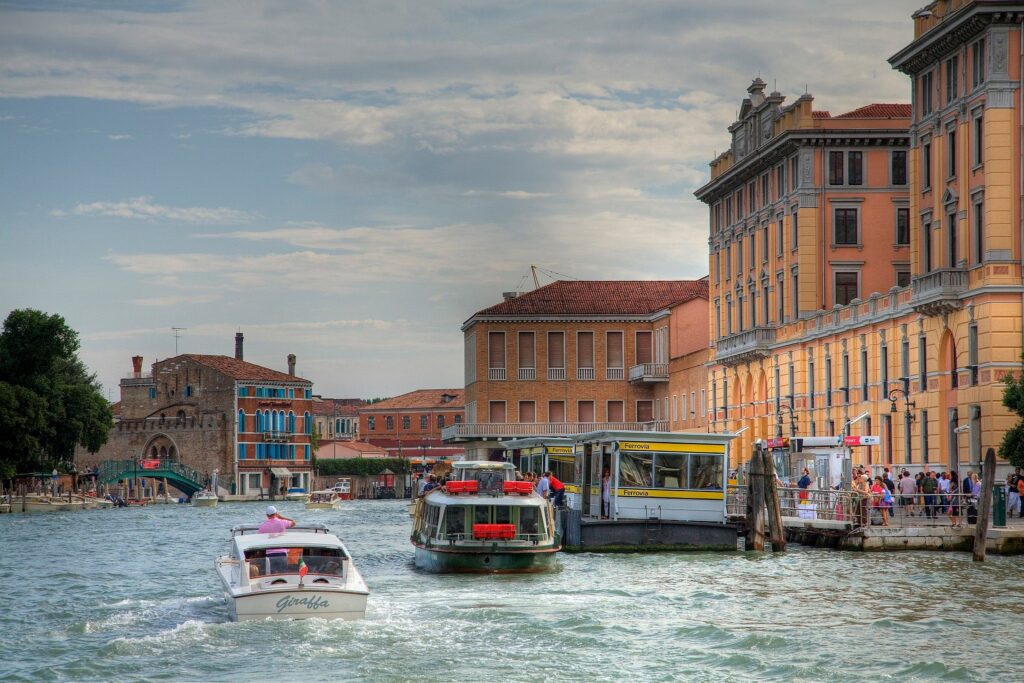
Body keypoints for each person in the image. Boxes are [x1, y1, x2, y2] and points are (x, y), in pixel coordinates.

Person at [259, 505, 296, 573]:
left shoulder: (262, 526)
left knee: (271, 576)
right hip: (282, 553)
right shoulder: (282, 522)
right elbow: (294, 523)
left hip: (268, 555)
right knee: (282, 575)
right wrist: (281, 517)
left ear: (267, 515)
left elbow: (259, 539)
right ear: (276, 513)